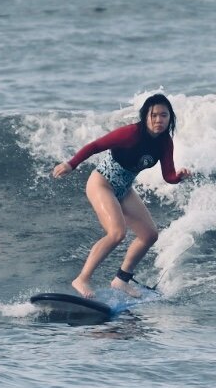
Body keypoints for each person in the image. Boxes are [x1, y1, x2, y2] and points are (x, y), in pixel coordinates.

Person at [51, 94, 190, 297]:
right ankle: (82, 279)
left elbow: (168, 175)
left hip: (124, 189)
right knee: (117, 233)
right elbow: (95, 146)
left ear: (170, 118)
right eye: (154, 115)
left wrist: (179, 177)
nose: (158, 120)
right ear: (145, 117)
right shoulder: (131, 133)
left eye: (164, 115)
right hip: (101, 183)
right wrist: (71, 164)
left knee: (149, 235)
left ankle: (121, 280)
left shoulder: (165, 143)